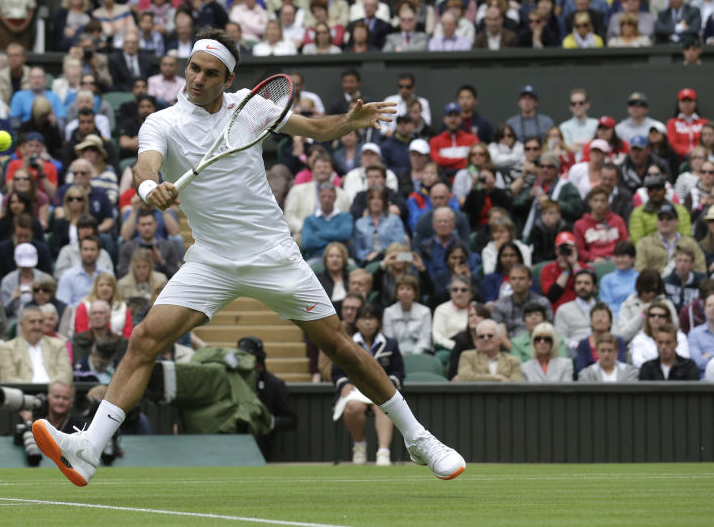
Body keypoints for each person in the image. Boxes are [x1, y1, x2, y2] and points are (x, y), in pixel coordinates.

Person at [33, 27, 465, 486]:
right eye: (194, 68)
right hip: (211, 261)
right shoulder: (161, 122)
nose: (197, 79)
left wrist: (350, 122)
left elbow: (316, 128)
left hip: (272, 255)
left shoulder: (250, 107)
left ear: (228, 78)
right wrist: (147, 187)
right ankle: (88, 449)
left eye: (210, 73)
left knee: (341, 347)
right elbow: (146, 164)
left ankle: (419, 439)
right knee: (143, 340)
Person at [332, 304, 404, 466]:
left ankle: (384, 452)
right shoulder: (346, 343)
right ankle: (359, 446)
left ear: (378, 322)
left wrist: (389, 384)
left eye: (371, 318)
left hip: (381, 391)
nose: (367, 323)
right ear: (356, 322)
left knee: (385, 407)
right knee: (353, 406)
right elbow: (337, 372)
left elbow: (398, 372)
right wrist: (344, 385)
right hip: (355, 391)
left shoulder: (391, 344)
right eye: (363, 318)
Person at [456, 319, 523, 381]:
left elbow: (517, 385)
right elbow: (464, 378)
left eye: (490, 335)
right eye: (481, 336)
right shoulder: (467, 356)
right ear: (478, 341)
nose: (486, 339)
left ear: (499, 339)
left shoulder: (512, 361)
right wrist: (496, 378)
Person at [629, 301, 691, 369]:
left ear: (667, 318)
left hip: (676, 376)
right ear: (647, 318)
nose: (656, 318)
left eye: (661, 316)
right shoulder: (639, 339)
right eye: (652, 315)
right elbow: (638, 362)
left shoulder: (680, 336)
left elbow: (684, 359)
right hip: (648, 377)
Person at [381, 275, 432, 354]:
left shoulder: (425, 311)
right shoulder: (388, 312)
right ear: (396, 293)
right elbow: (389, 339)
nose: (405, 292)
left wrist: (414, 354)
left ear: (415, 293)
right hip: (396, 353)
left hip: (420, 353)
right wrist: (399, 354)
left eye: (409, 289)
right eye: (401, 289)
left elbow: (425, 340)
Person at [575, 303, 628, 373]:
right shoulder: (583, 344)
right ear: (591, 322)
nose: (600, 319)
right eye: (596, 316)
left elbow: (622, 364)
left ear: (610, 322)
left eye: (603, 316)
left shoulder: (619, 341)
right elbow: (580, 369)